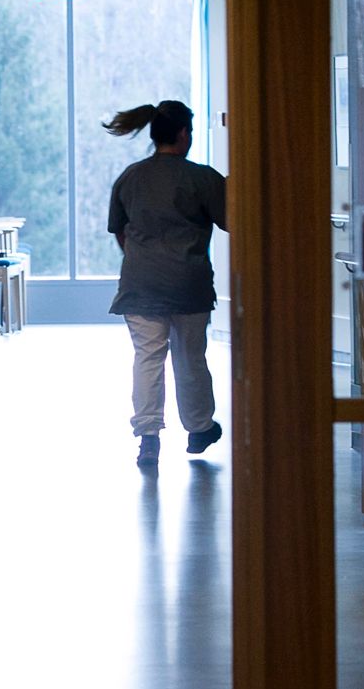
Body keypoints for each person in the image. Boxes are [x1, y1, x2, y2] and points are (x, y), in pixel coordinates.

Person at [103, 100, 227, 467]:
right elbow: (232, 219)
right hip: (189, 284)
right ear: (184, 134)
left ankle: (148, 438)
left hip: (141, 284)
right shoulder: (202, 178)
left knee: (147, 358)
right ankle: (199, 428)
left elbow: (120, 231)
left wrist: (143, 256)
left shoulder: (131, 176)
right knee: (190, 358)